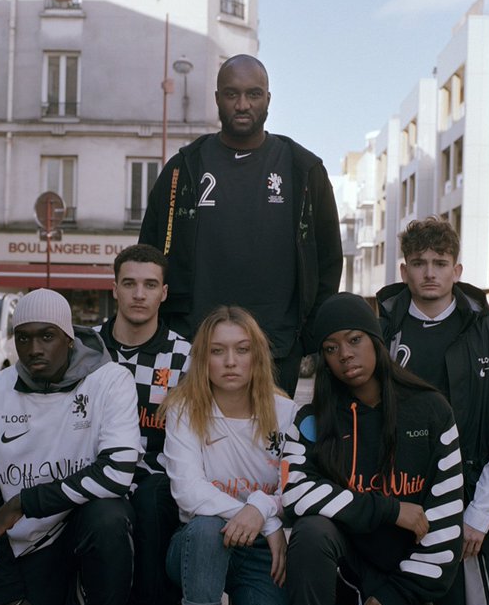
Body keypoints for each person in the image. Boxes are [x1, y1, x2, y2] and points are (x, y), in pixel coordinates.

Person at [281, 293, 464, 605]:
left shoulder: (432, 410)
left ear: (376, 340)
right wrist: (388, 509)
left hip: (399, 571)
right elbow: (294, 493)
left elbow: (445, 519)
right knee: (311, 532)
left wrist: (401, 592)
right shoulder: (311, 419)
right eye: (331, 348)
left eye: (354, 340)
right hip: (340, 561)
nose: (345, 355)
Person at [0, 288, 141, 605]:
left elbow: (117, 472)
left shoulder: (109, 380)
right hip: (34, 545)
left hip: (85, 526)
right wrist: (10, 598)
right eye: (23, 337)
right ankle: (66, 596)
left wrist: (25, 501)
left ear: (68, 337)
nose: (34, 349)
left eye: (47, 336)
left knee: (109, 516)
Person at [138, 54, 343, 395]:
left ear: (268, 99)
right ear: (217, 98)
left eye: (254, 94)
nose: (243, 104)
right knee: (193, 431)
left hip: (277, 350)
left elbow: (329, 261)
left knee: (270, 433)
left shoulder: (303, 170)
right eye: (232, 94)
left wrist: (305, 337)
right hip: (194, 349)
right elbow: (149, 255)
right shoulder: (183, 169)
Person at [377, 216, 489, 605]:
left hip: (467, 491)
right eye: (419, 263)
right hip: (393, 492)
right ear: (404, 270)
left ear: (457, 271)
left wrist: (480, 515)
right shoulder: (380, 331)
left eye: (440, 263)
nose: (430, 273)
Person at [161, 305, 301, 605]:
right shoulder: (184, 409)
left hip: (257, 552)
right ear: (202, 359)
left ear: (257, 356)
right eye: (217, 351)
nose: (230, 361)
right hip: (197, 547)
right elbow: (188, 491)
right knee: (207, 526)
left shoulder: (286, 413)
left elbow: (294, 487)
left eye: (242, 349)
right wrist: (265, 521)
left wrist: (261, 509)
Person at [94, 244, 192, 605]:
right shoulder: (87, 349)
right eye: (129, 283)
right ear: (114, 288)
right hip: (96, 473)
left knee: (152, 499)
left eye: (150, 285)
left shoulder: (184, 355)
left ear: (164, 293)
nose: (139, 294)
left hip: (157, 475)